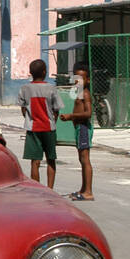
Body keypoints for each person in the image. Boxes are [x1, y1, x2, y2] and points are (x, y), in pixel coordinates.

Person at [18, 58, 63, 190]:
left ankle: (37, 189)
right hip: (49, 128)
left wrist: (29, 118)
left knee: (35, 161)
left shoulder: (25, 88)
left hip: (33, 128)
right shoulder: (51, 88)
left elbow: (23, 108)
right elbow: (56, 109)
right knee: (51, 159)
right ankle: (50, 189)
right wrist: (53, 121)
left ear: (30, 72)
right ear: (45, 72)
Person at [61, 64, 94, 201]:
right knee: (82, 159)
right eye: (76, 78)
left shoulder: (85, 94)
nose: (78, 81)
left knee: (85, 160)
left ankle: (89, 192)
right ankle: (83, 189)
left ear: (88, 80)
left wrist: (71, 116)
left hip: (83, 128)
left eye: (81, 79)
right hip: (79, 128)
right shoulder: (78, 92)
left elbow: (88, 113)